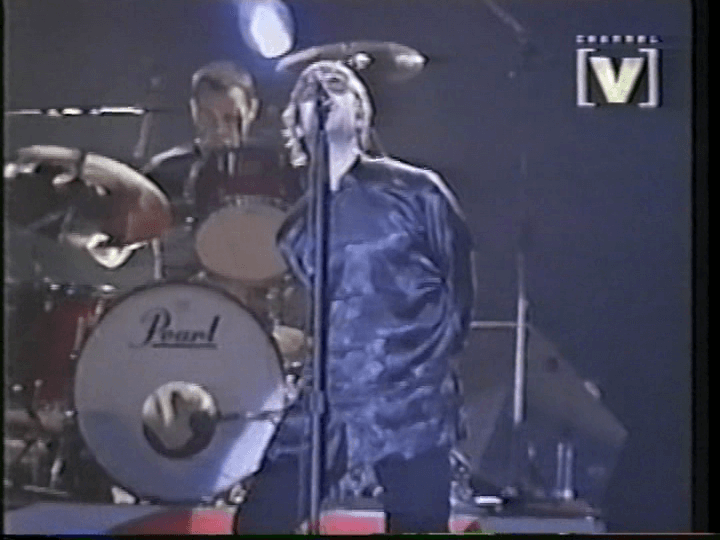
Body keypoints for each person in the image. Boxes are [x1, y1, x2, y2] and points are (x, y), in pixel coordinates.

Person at [233, 60, 475, 534]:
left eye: (336, 86)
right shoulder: (297, 227)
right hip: (331, 397)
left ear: (360, 111)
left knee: (418, 524)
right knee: (261, 520)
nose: (322, 94)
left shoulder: (417, 190)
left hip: (410, 392)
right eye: (309, 92)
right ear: (296, 122)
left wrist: (429, 361)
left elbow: (459, 282)